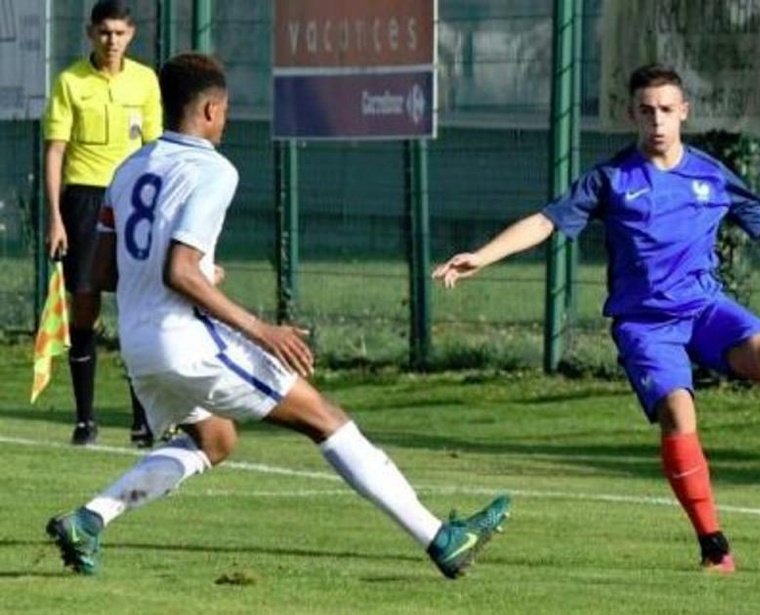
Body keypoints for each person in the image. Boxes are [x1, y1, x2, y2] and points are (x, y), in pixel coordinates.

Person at [45, 52, 510, 580]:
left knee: (214, 440)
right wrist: (262, 330)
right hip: (186, 340)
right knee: (325, 419)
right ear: (213, 109)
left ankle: (90, 519)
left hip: (140, 344)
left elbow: (103, 272)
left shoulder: (128, 168)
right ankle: (441, 539)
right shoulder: (214, 169)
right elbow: (180, 272)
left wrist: (194, 271)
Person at [433, 64, 760, 573]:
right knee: (678, 411)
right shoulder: (610, 179)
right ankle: (714, 547)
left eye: (667, 110)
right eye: (647, 111)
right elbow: (545, 221)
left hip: (705, 309)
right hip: (646, 325)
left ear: (684, 113)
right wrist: (483, 255)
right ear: (633, 114)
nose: (657, 120)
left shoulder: (711, 175)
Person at [43, 0, 161, 446]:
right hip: (85, 200)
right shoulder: (71, 81)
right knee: (86, 305)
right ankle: (85, 419)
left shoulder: (146, 81)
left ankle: (142, 420)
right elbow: (55, 151)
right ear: (90, 34)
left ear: (131, 35)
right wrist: (57, 217)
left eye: (120, 33)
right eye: (104, 32)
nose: (112, 41)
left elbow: (155, 150)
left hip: (132, 201)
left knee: (135, 306)